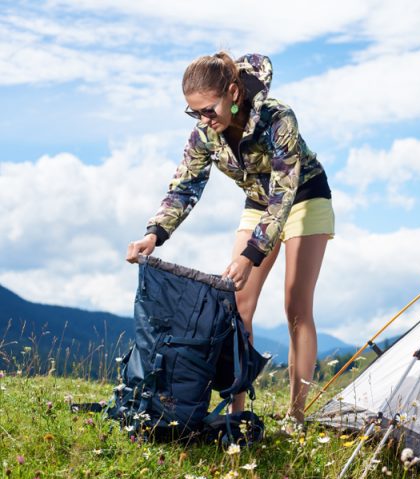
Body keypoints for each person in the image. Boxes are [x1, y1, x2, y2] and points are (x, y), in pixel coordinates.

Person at [126, 52, 333, 425]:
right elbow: (184, 187)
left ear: (233, 92)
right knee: (238, 306)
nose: (205, 119)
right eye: (195, 113)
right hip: (258, 201)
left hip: (304, 195)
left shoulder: (277, 117)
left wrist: (251, 254)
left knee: (296, 306)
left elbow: (284, 193)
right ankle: (238, 413)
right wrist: (153, 234)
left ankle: (297, 416)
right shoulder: (204, 133)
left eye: (209, 109)